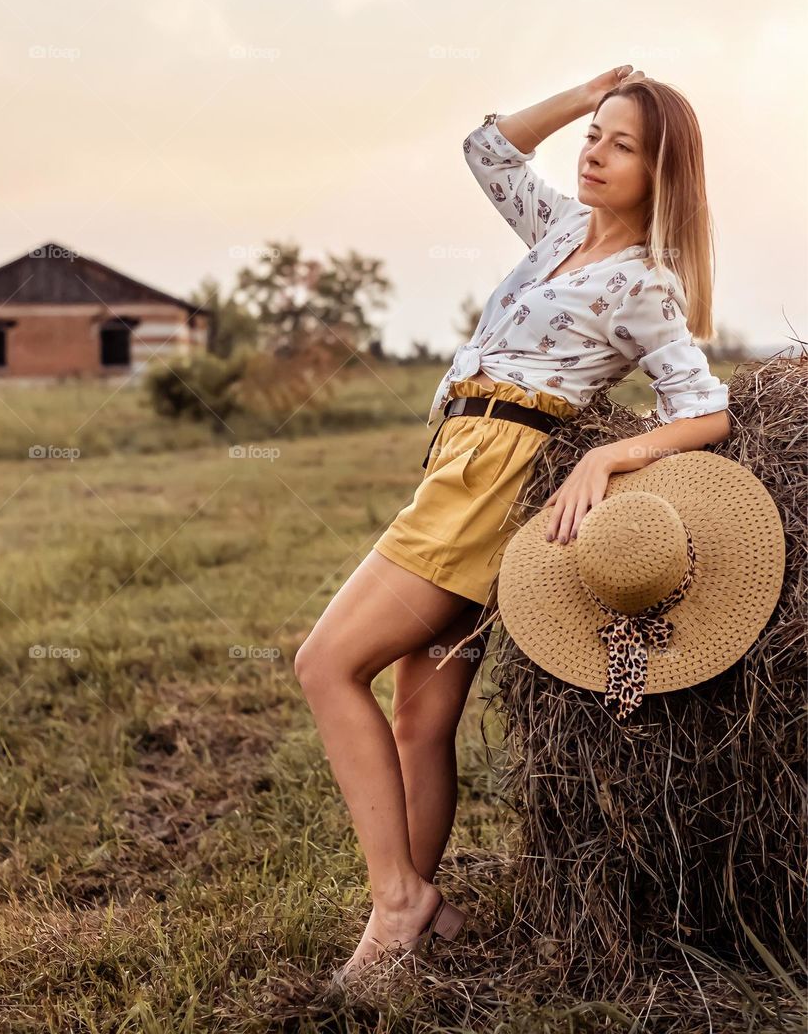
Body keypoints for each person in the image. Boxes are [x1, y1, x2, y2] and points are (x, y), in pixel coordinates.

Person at [294, 65, 731, 983]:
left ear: (661, 174)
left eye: (622, 145)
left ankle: (399, 898)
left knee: (325, 665)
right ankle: (398, 932)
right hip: (460, 465)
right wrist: (588, 93)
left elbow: (705, 411)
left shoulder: (642, 283)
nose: (595, 154)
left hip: (493, 481)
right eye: (593, 136)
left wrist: (605, 456)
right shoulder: (560, 228)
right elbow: (487, 151)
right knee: (420, 717)